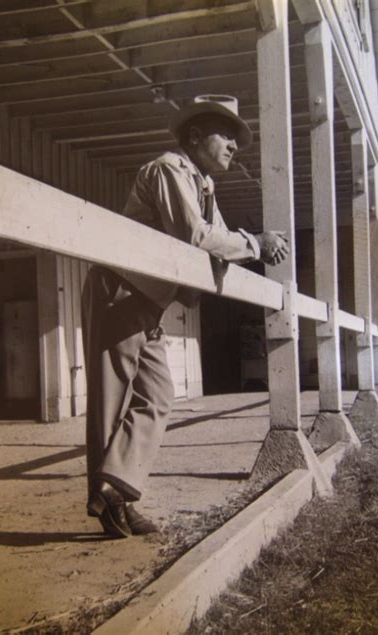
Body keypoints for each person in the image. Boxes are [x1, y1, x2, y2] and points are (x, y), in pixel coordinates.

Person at [82, 95, 289, 538]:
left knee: (158, 395)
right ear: (195, 136)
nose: (234, 145)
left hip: (148, 302)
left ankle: (113, 488)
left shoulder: (204, 187)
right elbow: (197, 237)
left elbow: (215, 243)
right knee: (111, 399)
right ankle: (109, 503)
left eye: (237, 138)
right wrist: (255, 243)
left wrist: (242, 246)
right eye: (226, 135)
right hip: (120, 290)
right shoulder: (169, 169)